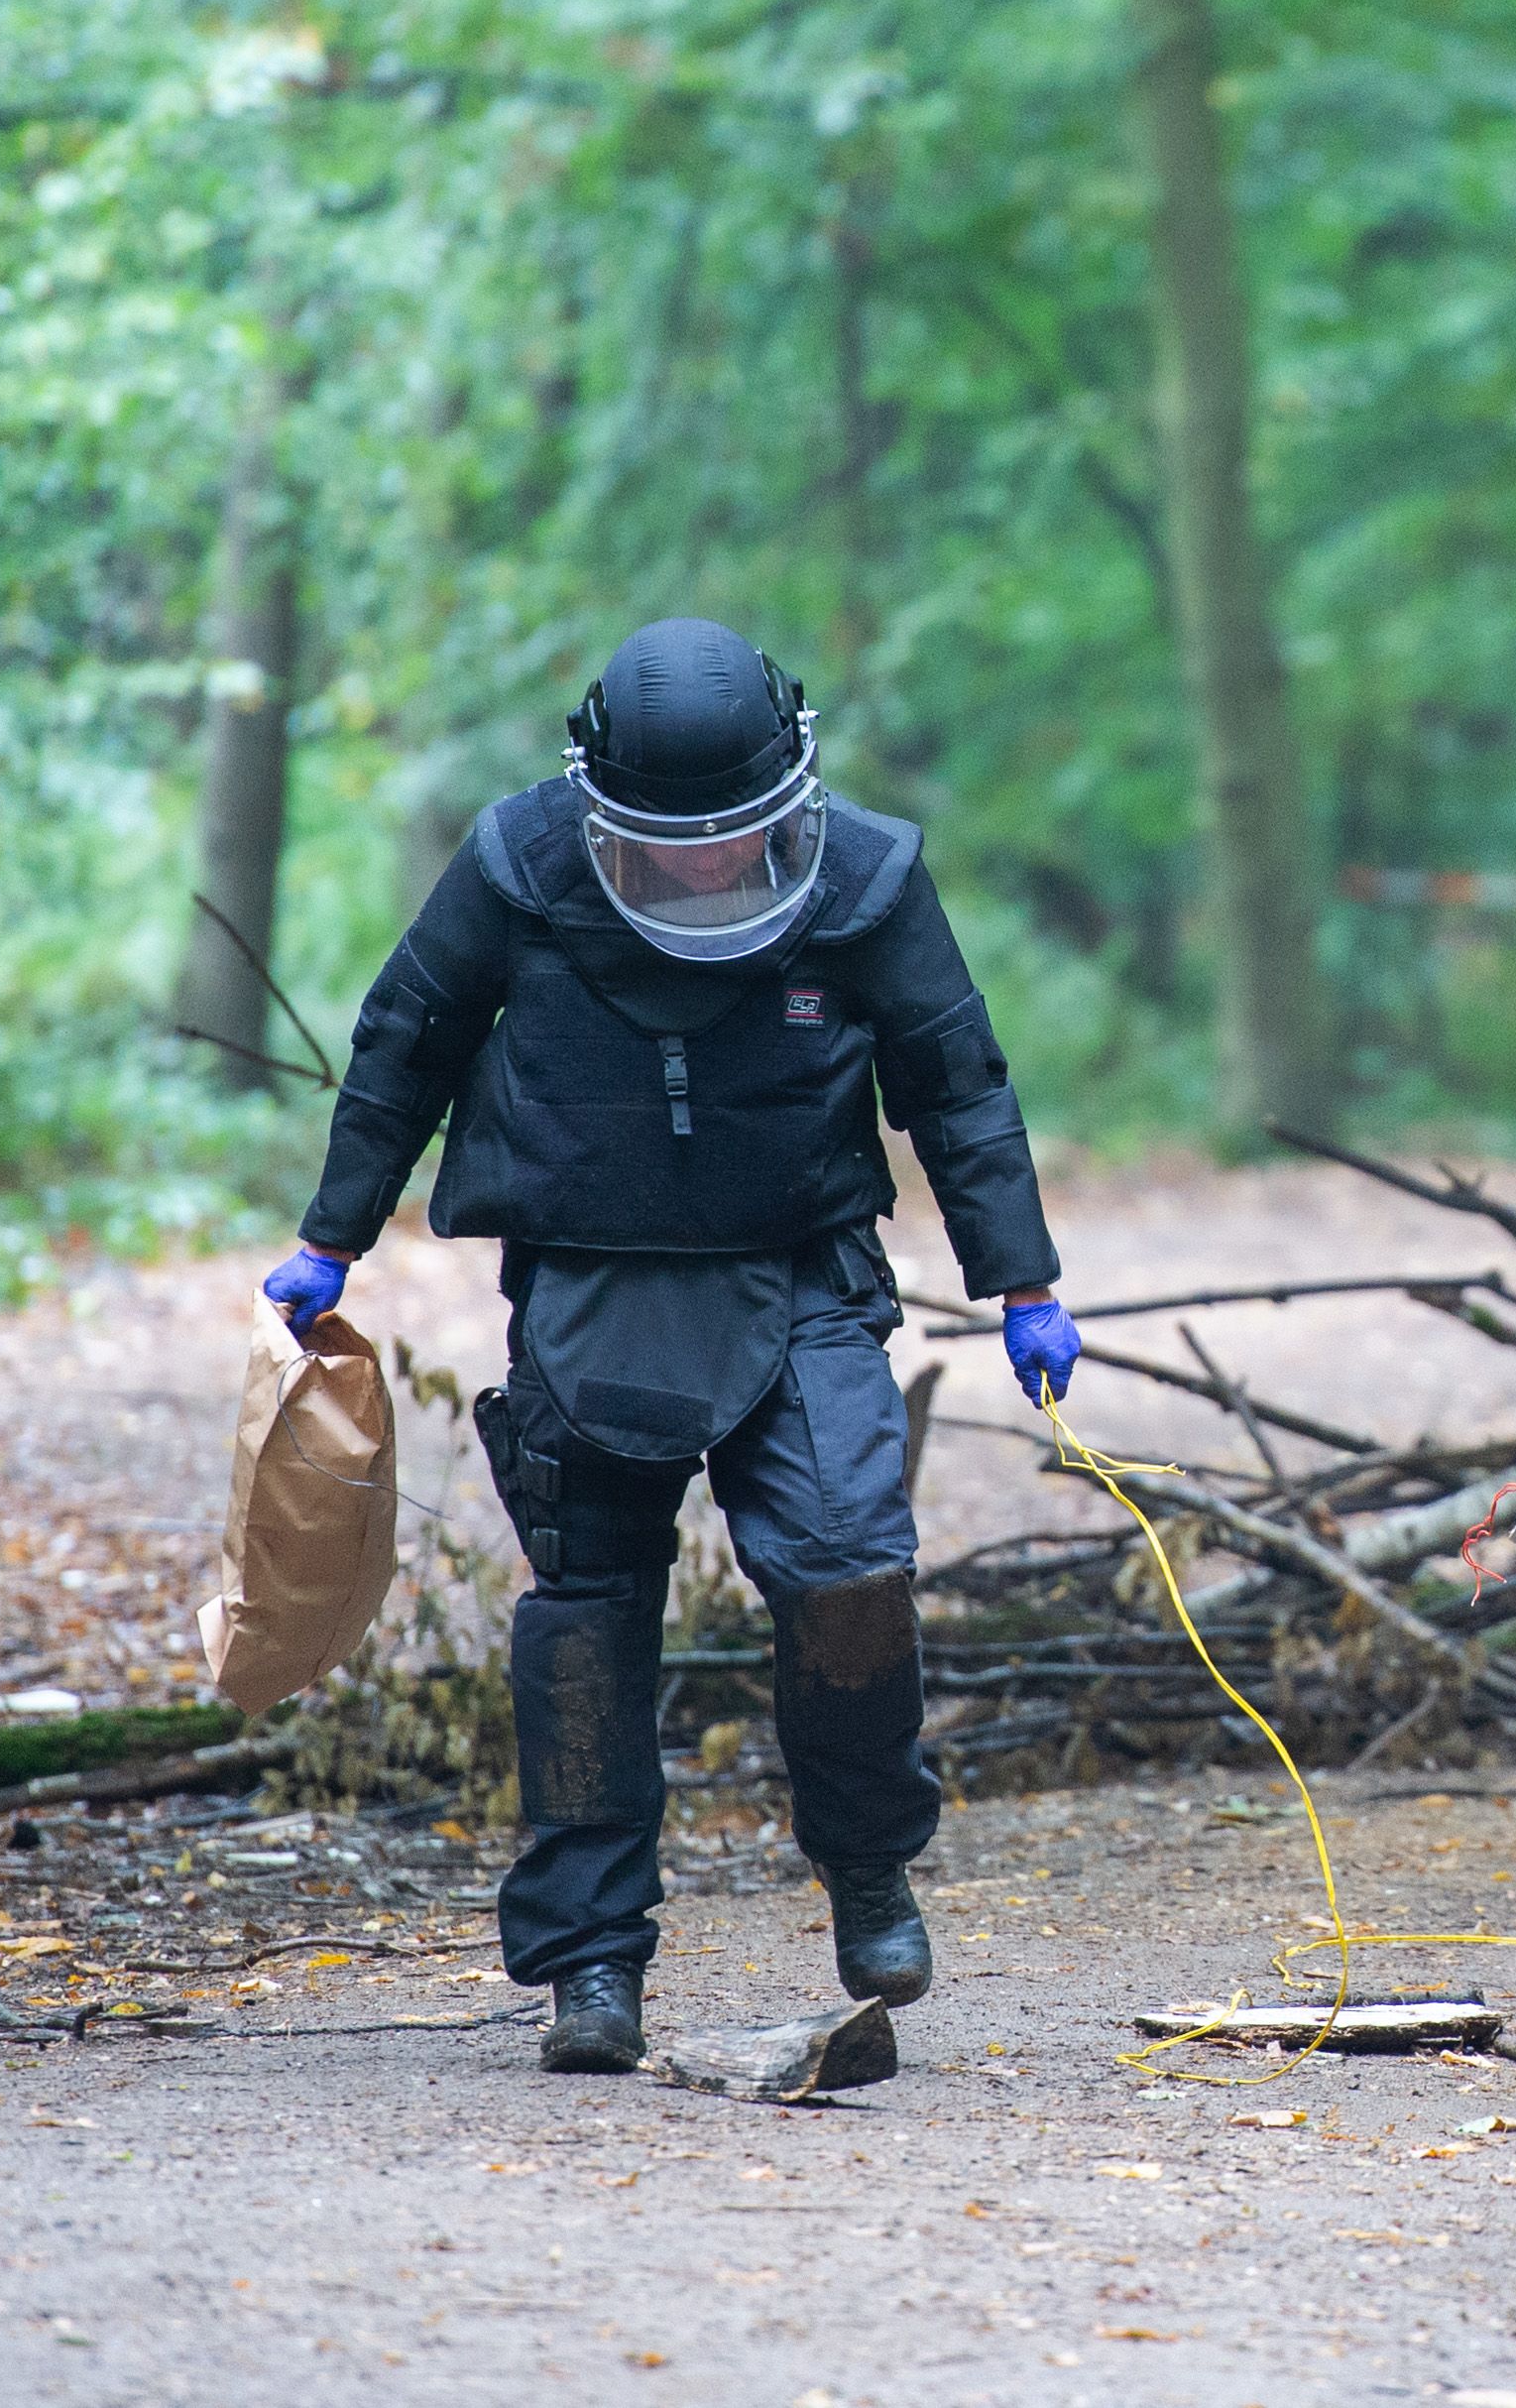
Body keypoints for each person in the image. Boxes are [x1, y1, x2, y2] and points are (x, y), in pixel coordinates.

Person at [259, 619, 1089, 2075]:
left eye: (735, 842)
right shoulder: (519, 864)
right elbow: (407, 1035)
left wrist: (1018, 1277)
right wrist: (335, 1234)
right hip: (595, 1281)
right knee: (585, 1618)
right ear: (600, 809)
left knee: (847, 1563)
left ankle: (869, 1861)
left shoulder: (871, 875)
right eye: (669, 845)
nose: (705, 866)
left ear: (791, 796)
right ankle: (591, 1964)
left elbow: (958, 1082)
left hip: (806, 1272)